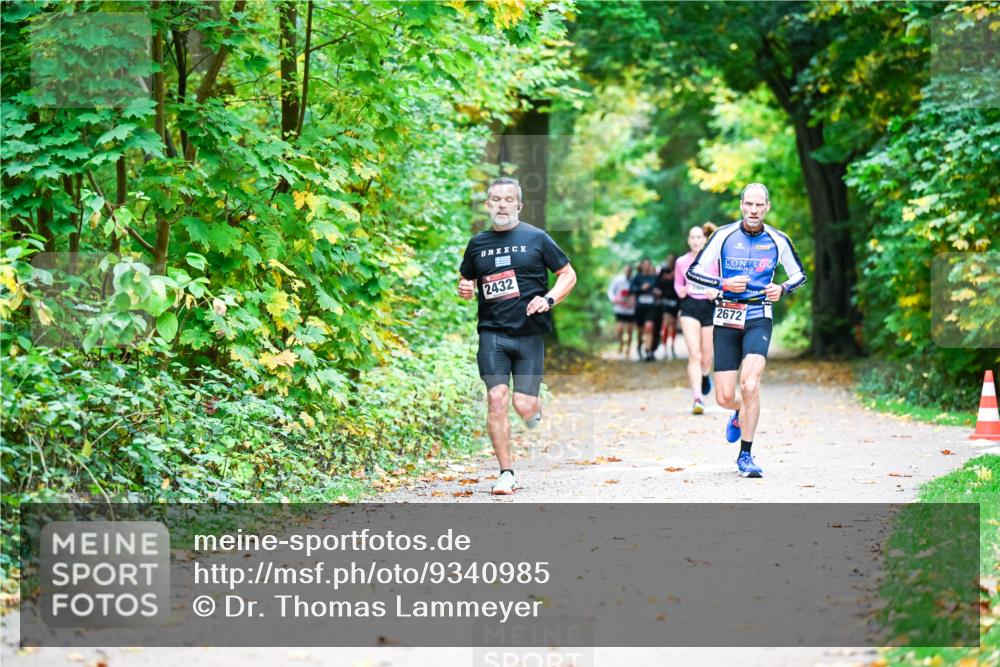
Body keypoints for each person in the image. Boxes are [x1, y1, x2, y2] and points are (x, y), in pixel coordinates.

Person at [458, 176, 577, 495]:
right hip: (492, 335)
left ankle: (532, 410)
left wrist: (549, 299)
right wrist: (465, 289)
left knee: (524, 405)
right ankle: (506, 473)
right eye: (496, 200)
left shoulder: (537, 238)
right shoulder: (477, 244)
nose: (502, 205)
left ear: (519, 205)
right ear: (487, 205)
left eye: (508, 199)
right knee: (496, 398)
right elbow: (466, 281)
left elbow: (568, 274)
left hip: (529, 335)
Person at [686, 184, 806, 478]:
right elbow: (693, 272)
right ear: (741, 204)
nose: (753, 210)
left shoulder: (778, 239)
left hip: (758, 315)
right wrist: (722, 284)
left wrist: (783, 288)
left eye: (759, 205)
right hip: (727, 315)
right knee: (724, 398)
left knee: (750, 385)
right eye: (749, 204)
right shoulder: (723, 235)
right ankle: (738, 411)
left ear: (767, 207)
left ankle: (746, 455)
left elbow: (799, 275)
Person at [674, 223, 719, 414]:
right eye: (692, 237)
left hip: (709, 308)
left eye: (699, 237)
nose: (695, 241)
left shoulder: (715, 261)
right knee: (695, 354)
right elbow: (678, 284)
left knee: (706, 358)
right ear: (688, 240)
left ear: (704, 239)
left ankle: (705, 375)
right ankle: (697, 398)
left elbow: (722, 283)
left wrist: (716, 291)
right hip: (689, 307)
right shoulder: (681, 262)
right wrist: (681, 290)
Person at [629, 258, 659, 362]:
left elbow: (660, 290)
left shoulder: (654, 278)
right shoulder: (637, 277)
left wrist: (657, 292)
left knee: (649, 328)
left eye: (648, 264)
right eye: (644, 264)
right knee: (640, 331)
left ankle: (648, 351)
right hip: (640, 307)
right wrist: (641, 288)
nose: (646, 266)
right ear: (641, 266)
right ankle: (639, 345)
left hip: (651, 307)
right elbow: (631, 289)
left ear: (650, 266)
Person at [607, 264, 636, 358]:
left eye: (629, 270)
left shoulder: (634, 280)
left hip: (631, 310)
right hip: (619, 308)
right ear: (624, 270)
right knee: (619, 329)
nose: (628, 272)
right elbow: (610, 291)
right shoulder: (617, 280)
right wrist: (613, 299)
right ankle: (621, 344)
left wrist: (634, 301)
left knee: (630, 331)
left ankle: (628, 349)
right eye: (626, 270)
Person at [657, 253, 680, 359]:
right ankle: (665, 348)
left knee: (673, 325)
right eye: (669, 259)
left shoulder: (678, 271)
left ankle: (672, 347)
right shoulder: (663, 271)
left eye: (672, 259)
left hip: (675, 301)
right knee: (666, 322)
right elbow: (658, 283)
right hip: (665, 300)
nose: (670, 261)